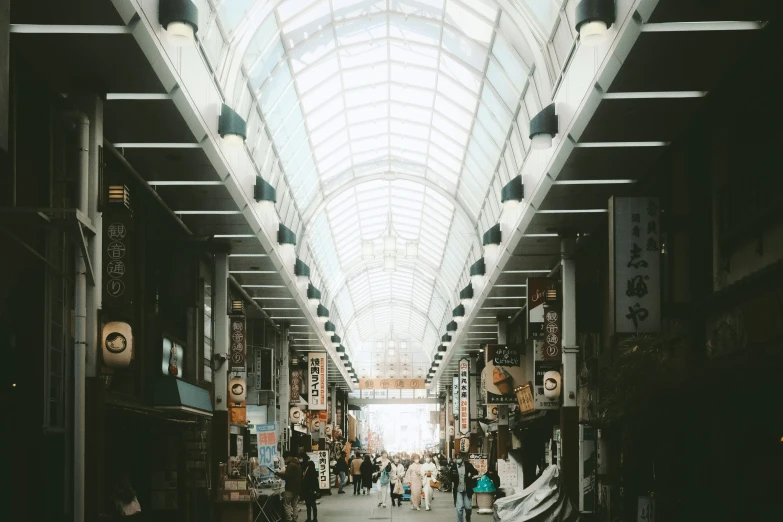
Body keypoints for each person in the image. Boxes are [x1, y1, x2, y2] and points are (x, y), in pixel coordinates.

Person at [449, 452, 478, 522]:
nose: (458, 459)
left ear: (462, 458)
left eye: (459, 457)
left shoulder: (468, 465)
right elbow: (450, 478)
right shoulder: (453, 467)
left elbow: (475, 472)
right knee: (459, 508)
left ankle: (468, 518)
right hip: (458, 490)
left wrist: (470, 474)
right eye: (456, 458)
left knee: (468, 507)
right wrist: (454, 477)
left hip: (467, 489)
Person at [276, 451, 302, 522]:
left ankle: (289, 519)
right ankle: (295, 519)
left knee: (286, 504)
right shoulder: (298, 464)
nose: (285, 460)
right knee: (295, 504)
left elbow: (287, 476)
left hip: (290, 488)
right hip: (297, 488)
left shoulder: (290, 465)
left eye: (285, 458)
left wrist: (279, 474)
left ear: (289, 457)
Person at [301, 455, 319, 522]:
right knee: (312, 505)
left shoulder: (309, 471)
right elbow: (316, 482)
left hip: (309, 490)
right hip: (311, 490)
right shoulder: (313, 471)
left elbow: (308, 481)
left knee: (309, 505)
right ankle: (314, 518)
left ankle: (311, 518)